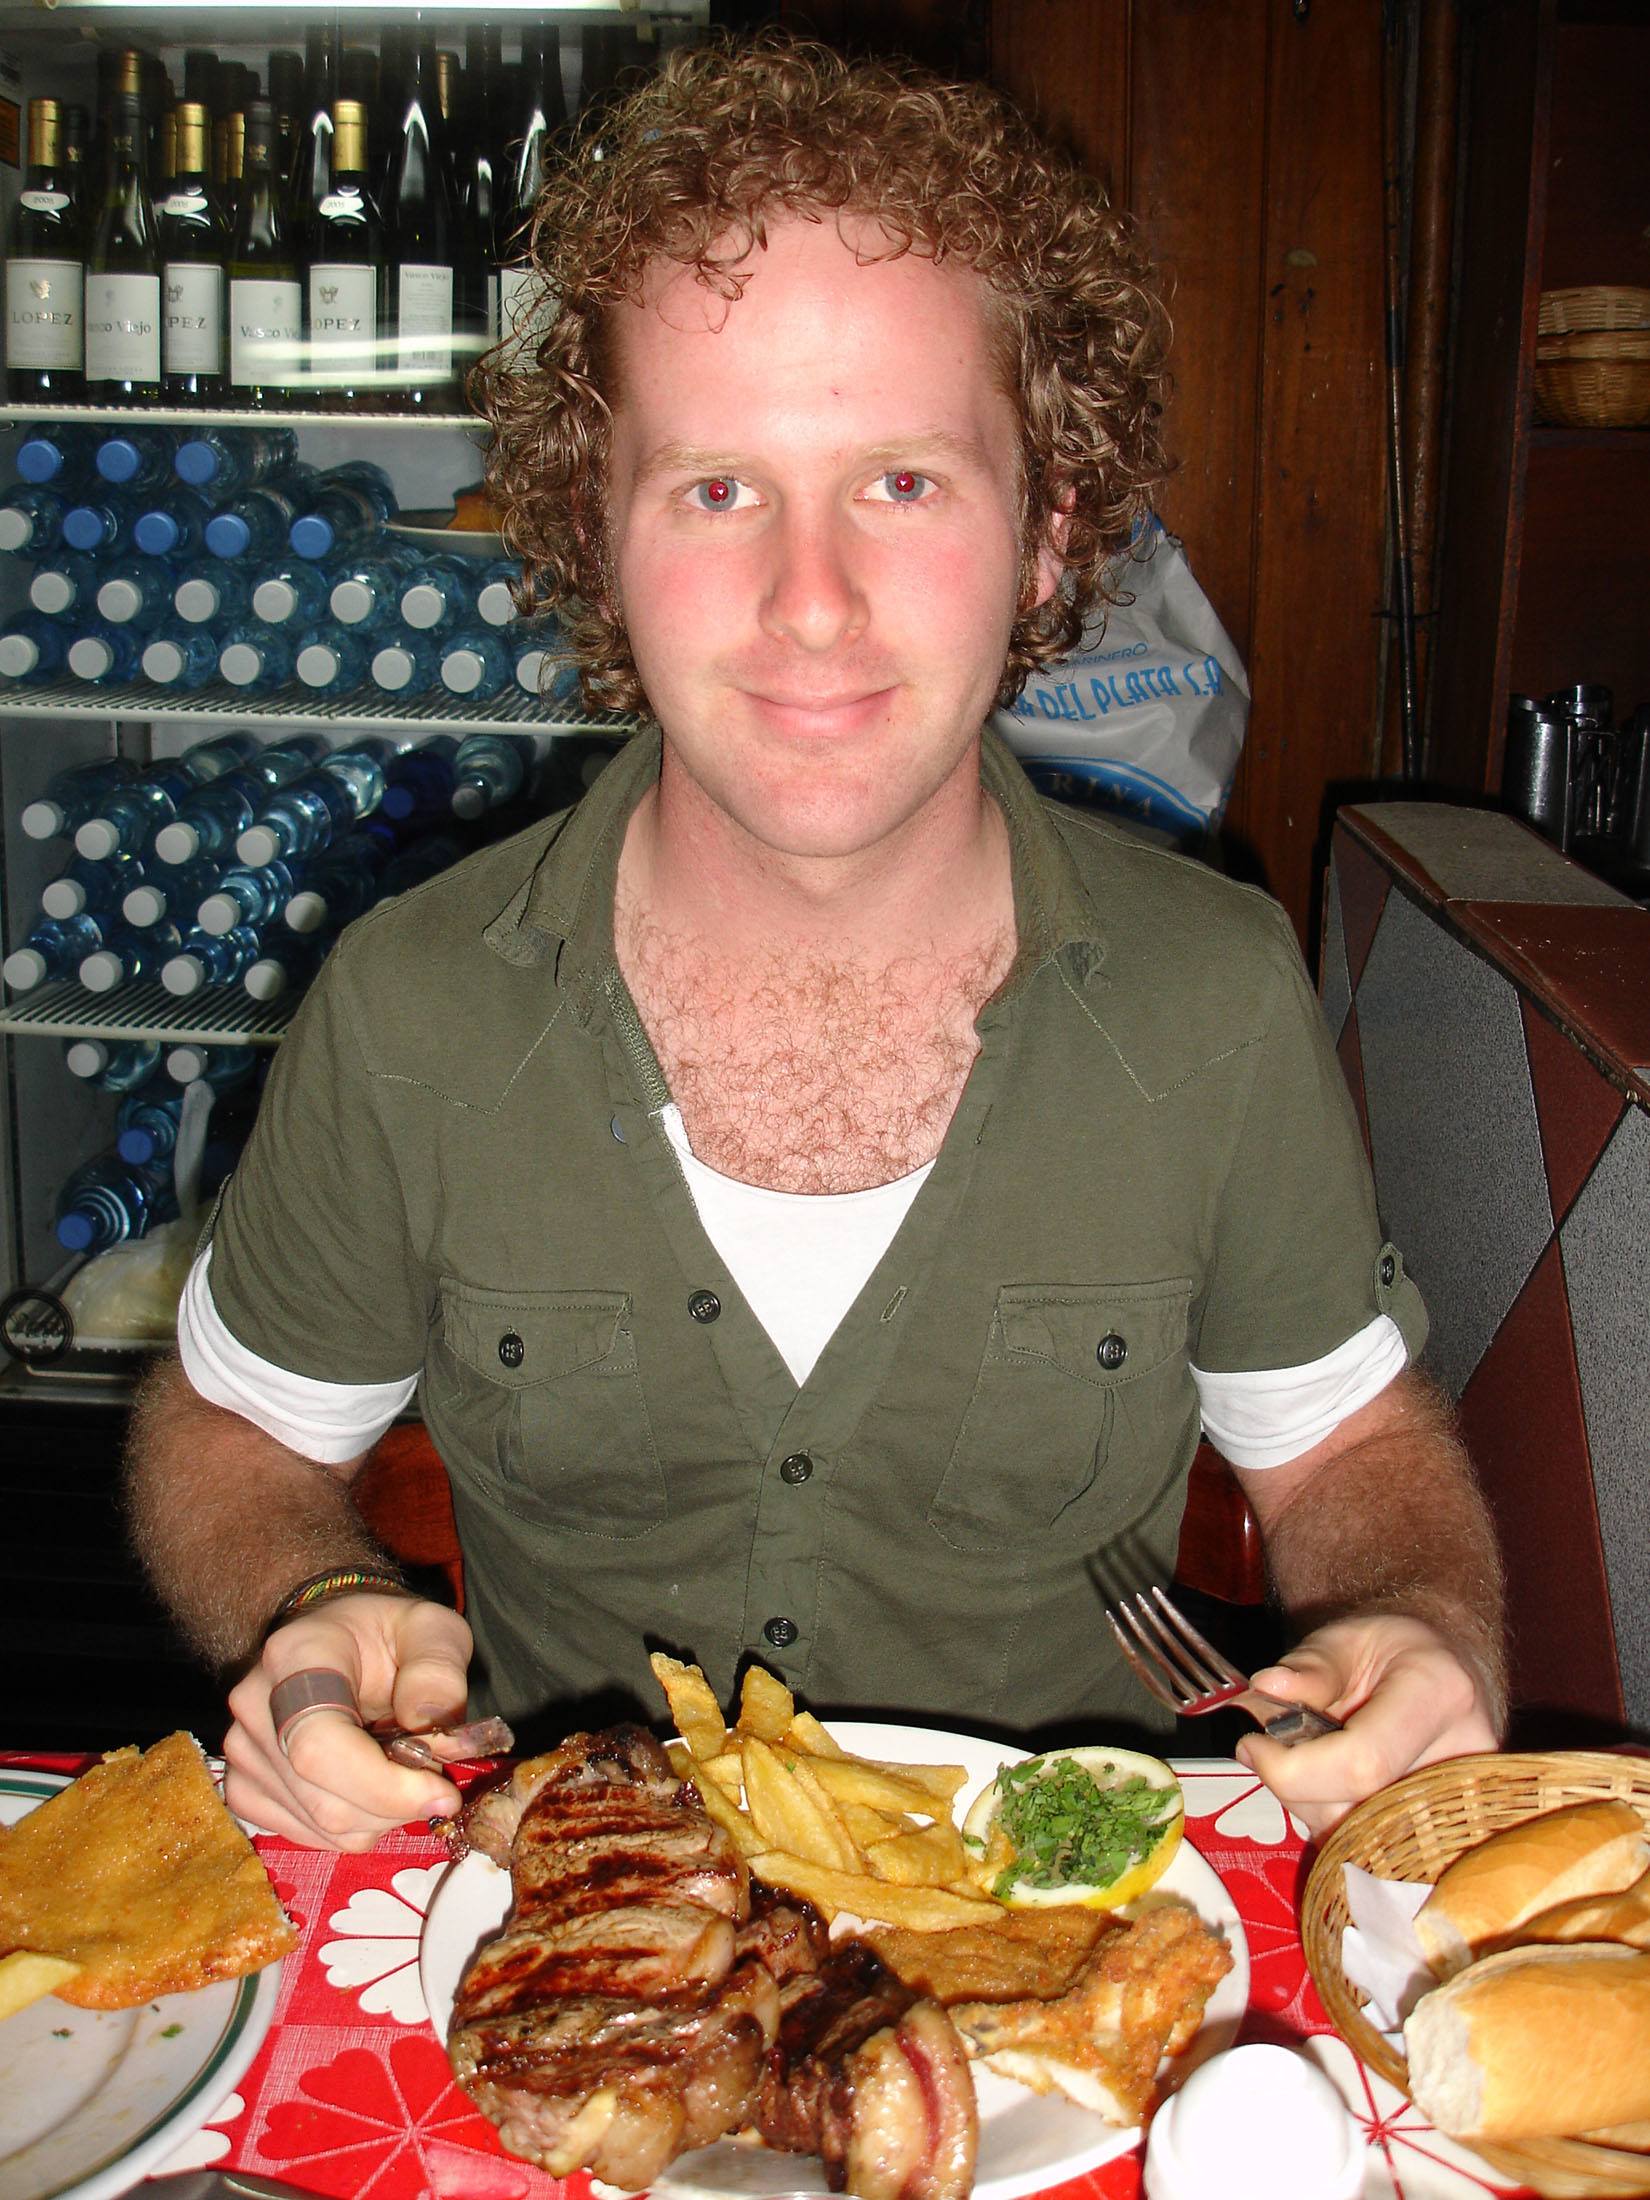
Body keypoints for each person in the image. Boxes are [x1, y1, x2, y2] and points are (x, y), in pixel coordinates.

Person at [126, 36, 1504, 1852]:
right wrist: (307, 1613)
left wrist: (1421, 1619)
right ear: (592, 538)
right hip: (576, 1959)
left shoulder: (1215, 999)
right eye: (715, 491)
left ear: (1042, 535)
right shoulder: (411, 1009)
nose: (809, 599)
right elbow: (229, 1437)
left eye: (902, 482)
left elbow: (1345, 1451)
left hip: (1063, 1988)